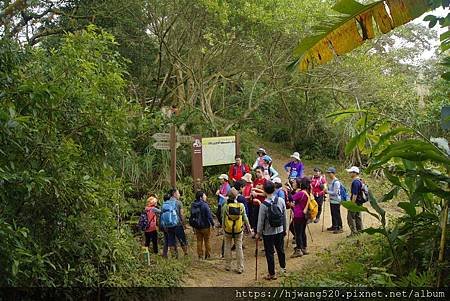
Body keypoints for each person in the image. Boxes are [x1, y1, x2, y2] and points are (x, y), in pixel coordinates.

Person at [256, 181, 287, 280]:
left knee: (269, 252)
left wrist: (258, 233)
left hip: (268, 233)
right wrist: (284, 229)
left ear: (264, 191)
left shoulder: (263, 205)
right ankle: (283, 268)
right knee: (280, 250)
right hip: (280, 230)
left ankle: (272, 273)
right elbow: (284, 216)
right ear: (274, 190)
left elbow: (260, 221)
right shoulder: (281, 200)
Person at [222, 192, 251, 274]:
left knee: (227, 246)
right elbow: (245, 218)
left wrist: (223, 228)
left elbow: (223, 218)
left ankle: (228, 265)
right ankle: (240, 267)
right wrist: (249, 228)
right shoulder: (241, 206)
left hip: (228, 230)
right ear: (236, 197)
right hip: (238, 230)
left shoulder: (225, 206)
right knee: (239, 247)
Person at [160, 188, 188, 258]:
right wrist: (184, 224)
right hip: (177, 224)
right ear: (174, 194)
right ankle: (186, 254)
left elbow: (162, 215)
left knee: (171, 241)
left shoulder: (165, 203)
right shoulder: (178, 203)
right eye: (178, 193)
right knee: (182, 239)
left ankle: (174, 256)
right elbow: (181, 214)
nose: (179, 194)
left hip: (168, 226)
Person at [288, 177, 311, 257]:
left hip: (298, 215)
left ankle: (298, 250)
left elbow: (291, 198)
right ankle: (304, 248)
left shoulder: (301, 193)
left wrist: (289, 191)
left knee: (298, 233)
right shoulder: (307, 192)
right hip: (304, 215)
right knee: (302, 232)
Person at [190, 191, 215, 259]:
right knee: (207, 240)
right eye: (204, 195)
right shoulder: (205, 205)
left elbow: (192, 215)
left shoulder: (193, 204)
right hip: (205, 226)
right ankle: (208, 255)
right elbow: (209, 216)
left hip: (197, 226)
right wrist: (212, 224)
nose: (205, 196)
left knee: (199, 240)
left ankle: (200, 256)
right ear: (201, 197)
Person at [324, 167, 343, 234]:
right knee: (333, 214)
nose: (329, 174)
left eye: (330, 173)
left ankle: (339, 227)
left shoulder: (336, 182)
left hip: (336, 200)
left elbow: (335, 192)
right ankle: (334, 226)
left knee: (337, 214)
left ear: (333, 173)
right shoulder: (331, 181)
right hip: (332, 200)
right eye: (328, 173)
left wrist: (327, 191)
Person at [346, 166, 364, 236]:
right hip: (359, 203)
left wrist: (351, 205)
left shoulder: (355, 182)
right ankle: (360, 231)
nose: (349, 173)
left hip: (355, 203)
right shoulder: (360, 180)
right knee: (358, 217)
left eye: (350, 172)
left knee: (350, 217)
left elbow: (355, 195)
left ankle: (353, 233)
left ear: (355, 173)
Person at [251, 166, 267, 237]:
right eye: (256, 172)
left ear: (263, 172)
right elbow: (252, 190)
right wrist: (252, 193)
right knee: (255, 217)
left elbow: (266, 194)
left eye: (259, 172)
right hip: (255, 202)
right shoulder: (255, 181)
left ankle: (261, 233)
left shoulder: (265, 182)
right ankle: (255, 231)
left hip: (262, 203)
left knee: (262, 219)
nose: (257, 173)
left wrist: (257, 193)